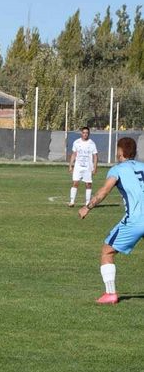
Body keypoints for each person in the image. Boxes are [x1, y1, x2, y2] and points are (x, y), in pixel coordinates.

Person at [79, 137, 144, 304]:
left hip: (135, 221)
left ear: (120, 152)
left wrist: (88, 206)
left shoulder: (118, 169)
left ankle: (110, 294)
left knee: (107, 251)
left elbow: (104, 191)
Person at [68, 127, 98, 207]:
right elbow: (74, 154)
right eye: (84, 132)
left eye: (87, 133)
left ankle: (87, 203)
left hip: (88, 167)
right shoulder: (76, 142)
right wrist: (71, 165)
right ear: (81, 133)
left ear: (89, 134)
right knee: (75, 183)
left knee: (88, 184)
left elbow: (95, 156)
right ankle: (72, 201)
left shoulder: (92, 143)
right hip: (78, 166)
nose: (85, 134)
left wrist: (95, 167)